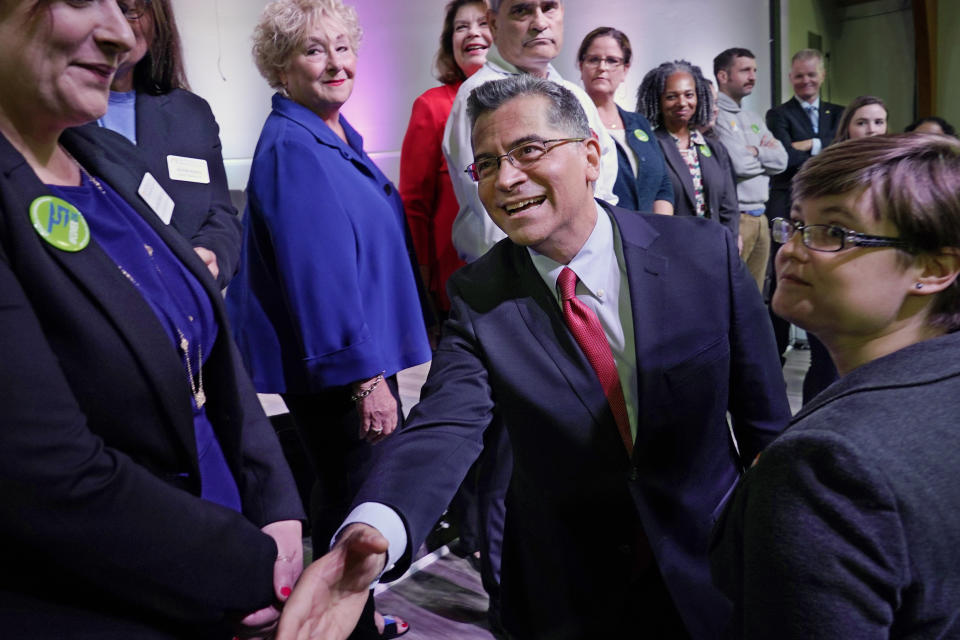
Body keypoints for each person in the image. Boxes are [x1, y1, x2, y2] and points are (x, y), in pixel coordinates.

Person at [276, 75, 791, 640]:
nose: (507, 178)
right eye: (488, 164)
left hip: (709, 562)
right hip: (568, 589)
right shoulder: (481, 294)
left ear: (591, 156)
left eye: (528, 150)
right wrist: (371, 532)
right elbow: (445, 424)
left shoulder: (700, 254)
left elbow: (766, 425)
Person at [0, 1, 304, 638]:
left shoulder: (108, 159)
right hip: (120, 593)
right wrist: (252, 568)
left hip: (227, 544)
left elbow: (209, 352)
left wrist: (274, 503)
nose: (118, 34)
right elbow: (51, 479)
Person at [225, 0, 431, 637]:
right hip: (343, 364)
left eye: (343, 47)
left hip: (356, 355)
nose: (335, 62)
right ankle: (339, 627)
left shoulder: (333, 133)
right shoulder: (294, 145)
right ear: (280, 68)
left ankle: (352, 620)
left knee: (350, 495)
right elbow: (318, 277)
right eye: (314, 50)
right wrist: (367, 379)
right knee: (351, 500)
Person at [711, 133, 960, 638]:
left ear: (933, 269)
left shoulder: (826, 466)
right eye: (798, 224)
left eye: (834, 232)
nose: (793, 250)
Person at [443, 0, 619, 263]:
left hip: (590, 263)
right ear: (493, 23)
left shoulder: (577, 95)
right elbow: (499, 213)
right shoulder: (480, 97)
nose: (539, 23)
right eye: (522, 10)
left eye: (549, 7)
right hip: (521, 275)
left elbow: (603, 192)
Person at [99, 0, 241, 287]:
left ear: (157, 17)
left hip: (188, 308)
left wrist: (211, 255)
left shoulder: (192, 114)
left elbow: (221, 214)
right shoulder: (49, 118)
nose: (117, 25)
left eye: (128, 9)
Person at [399, 0, 490, 316]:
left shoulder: (529, 97)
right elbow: (414, 204)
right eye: (461, 27)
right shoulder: (433, 106)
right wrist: (422, 287)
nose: (472, 33)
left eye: (483, 23)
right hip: (456, 274)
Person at [765, 49, 844, 370]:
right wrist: (823, 145)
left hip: (830, 208)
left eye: (811, 74)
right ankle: (775, 357)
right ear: (790, 78)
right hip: (788, 207)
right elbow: (784, 161)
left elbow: (845, 149)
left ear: (822, 76)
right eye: (799, 75)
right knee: (785, 277)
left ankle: (824, 353)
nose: (805, 81)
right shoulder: (778, 115)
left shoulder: (839, 112)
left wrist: (808, 145)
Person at [638, 60, 740, 238]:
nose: (682, 102)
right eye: (671, 96)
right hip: (672, 248)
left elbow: (729, 207)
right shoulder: (650, 147)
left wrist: (729, 241)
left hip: (713, 247)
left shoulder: (715, 149)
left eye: (689, 95)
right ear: (658, 101)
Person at [713, 47, 787, 293]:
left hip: (761, 218)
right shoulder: (718, 116)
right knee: (731, 294)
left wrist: (755, 151)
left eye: (754, 70)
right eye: (745, 70)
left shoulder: (754, 118)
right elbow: (738, 165)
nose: (753, 76)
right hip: (739, 219)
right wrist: (763, 156)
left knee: (755, 298)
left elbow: (782, 160)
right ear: (723, 76)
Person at [576, 27, 673, 214]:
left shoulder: (639, 123)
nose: (602, 67)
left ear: (625, 69)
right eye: (594, 59)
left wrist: (663, 229)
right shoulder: (568, 124)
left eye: (612, 60)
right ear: (581, 66)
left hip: (650, 233)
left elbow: (663, 184)